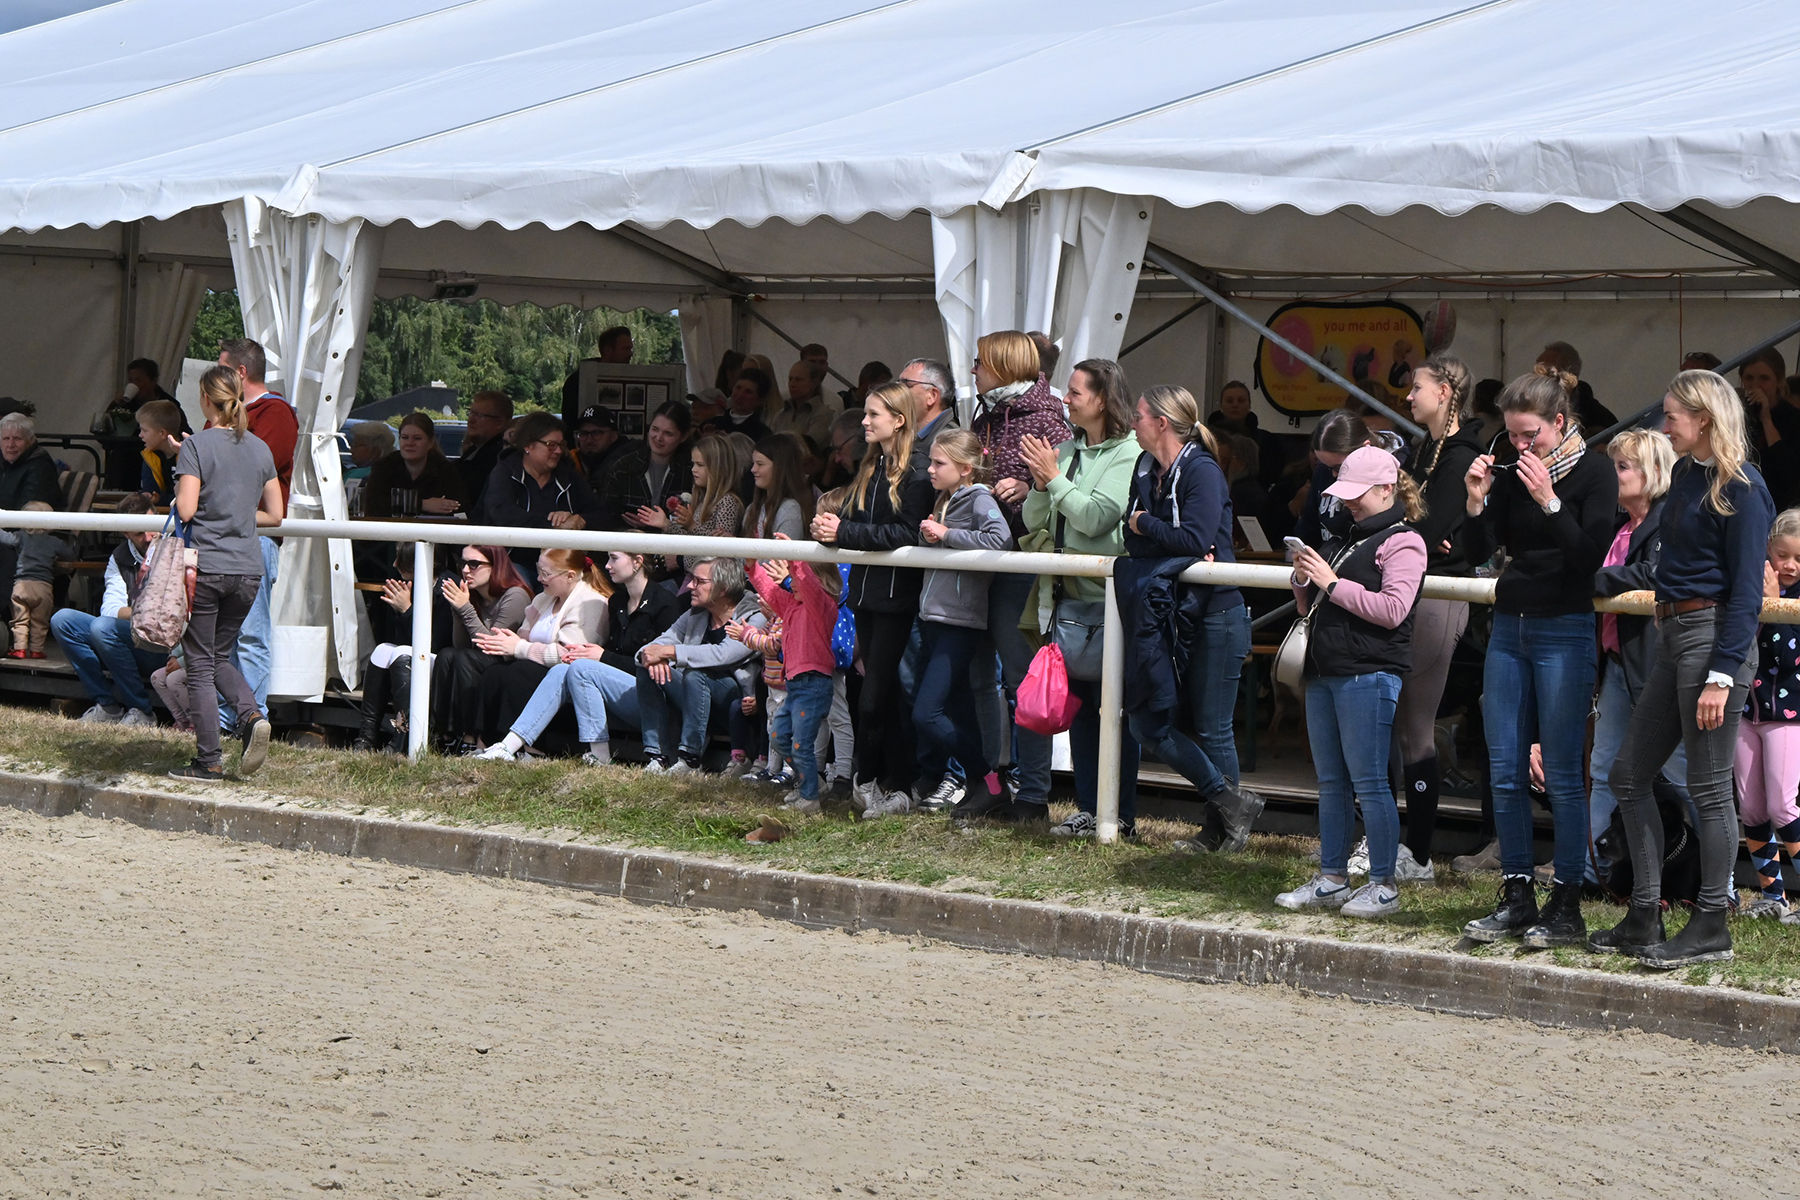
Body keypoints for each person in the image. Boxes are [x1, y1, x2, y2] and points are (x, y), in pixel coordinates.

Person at [1594, 370, 1775, 966]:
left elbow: (1746, 594)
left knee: (1708, 786)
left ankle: (1711, 922)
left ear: (1704, 418)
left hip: (1710, 639)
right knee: (1629, 775)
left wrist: (1722, 674)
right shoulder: (1690, 477)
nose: (1663, 423)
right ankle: (1645, 912)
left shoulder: (1742, 487)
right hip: (1675, 633)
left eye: (1672, 415)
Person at [1460, 363, 1618, 947]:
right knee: (1504, 768)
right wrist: (1476, 501)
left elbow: (1589, 557)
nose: (1522, 446)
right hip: (1511, 624)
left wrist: (1549, 500)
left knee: (1563, 773)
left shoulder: (1594, 472)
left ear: (1559, 421)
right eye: (1511, 435)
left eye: (1532, 435)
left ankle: (1567, 903)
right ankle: (1517, 893)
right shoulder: (1512, 468)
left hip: (1564, 626)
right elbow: (1481, 552)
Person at [1276, 446, 1428, 918]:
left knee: (1370, 782)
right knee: (1331, 781)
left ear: (1387, 489)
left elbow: (1393, 609)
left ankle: (1383, 883)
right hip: (1326, 668)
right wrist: (1303, 579)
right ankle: (1332, 877)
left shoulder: (1405, 541)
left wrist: (1331, 583)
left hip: (1370, 671)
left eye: (1358, 494)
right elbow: (1311, 606)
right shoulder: (1345, 537)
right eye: (1345, 494)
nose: (1349, 502)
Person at [1119, 384, 1262, 853]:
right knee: (1146, 722)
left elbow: (1193, 538)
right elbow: (1133, 540)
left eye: (1139, 415)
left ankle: (1221, 831)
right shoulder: (1146, 467)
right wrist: (1157, 535)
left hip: (1216, 612)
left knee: (1213, 728)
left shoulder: (1201, 469)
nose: (1132, 422)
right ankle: (1231, 803)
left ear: (1161, 423)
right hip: (1171, 611)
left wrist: (1147, 524)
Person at [1019, 359, 1142, 839]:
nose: (1065, 399)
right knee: (1083, 708)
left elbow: (1096, 518)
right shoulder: (1066, 451)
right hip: (1066, 600)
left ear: (1103, 400)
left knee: (1115, 710)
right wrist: (1039, 484)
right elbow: (1035, 522)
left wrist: (1053, 479)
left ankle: (1120, 815)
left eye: (1074, 392)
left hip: (1112, 602)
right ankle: (1090, 808)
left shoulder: (1129, 453)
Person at [811, 381, 935, 813]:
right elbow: (851, 521)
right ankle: (894, 783)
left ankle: (869, 782)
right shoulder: (871, 466)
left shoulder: (918, 470)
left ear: (898, 421)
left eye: (872, 415)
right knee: (880, 694)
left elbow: (906, 532)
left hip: (898, 599)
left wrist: (843, 531)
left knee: (875, 696)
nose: (863, 422)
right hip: (864, 596)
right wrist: (826, 528)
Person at [970, 331, 1072, 821]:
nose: (973, 369)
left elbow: (1068, 485)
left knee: (1020, 680)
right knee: (978, 678)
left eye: (980, 362)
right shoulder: (984, 416)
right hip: (977, 559)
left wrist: (1030, 486)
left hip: (1018, 562)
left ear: (1004, 366)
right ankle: (989, 783)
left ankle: (1032, 795)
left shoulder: (1047, 418)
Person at [1391, 354, 1486, 878]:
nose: (1409, 396)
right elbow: (1403, 520)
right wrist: (1412, 534)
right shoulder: (1424, 449)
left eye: (1418, 388)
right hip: (1409, 587)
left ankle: (1419, 852)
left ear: (1445, 392)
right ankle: (1390, 841)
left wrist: (1415, 536)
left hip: (1437, 594)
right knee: (1394, 721)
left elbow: (1425, 529)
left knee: (1416, 725)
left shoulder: (1462, 454)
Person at [168, 364, 284, 782]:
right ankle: (252, 715)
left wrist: (181, 483)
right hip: (248, 570)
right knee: (219, 656)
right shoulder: (260, 448)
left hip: (207, 566)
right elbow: (275, 514)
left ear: (205, 399)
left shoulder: (195, 446)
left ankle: (209, 761)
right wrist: (235, 512)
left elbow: (186, 509)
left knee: (200, 665)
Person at [1585, 430, 1686, 881]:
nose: (1614, 475)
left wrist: (1593, 581)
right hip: (1617, 665)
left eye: (1623, 466)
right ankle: (1597, 872)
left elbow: (1654, 573)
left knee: (1680, 772)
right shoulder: (1618, 526)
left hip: (1657, 665)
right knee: (1605, 767)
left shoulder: (1670, 521)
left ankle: (1715, 882)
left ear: (1654, 472)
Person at [478, 550, 681, 764]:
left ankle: (598, 754)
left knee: (578, 667)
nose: (607, 565)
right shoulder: (618, 600)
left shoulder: (665, 604)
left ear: (637, 562)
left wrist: (603, 657)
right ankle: (508, 746)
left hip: (655, 696)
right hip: (621, 688)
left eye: (614, 558)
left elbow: (661, 670)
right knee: (563, 669)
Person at [909, 429, 1014, 819]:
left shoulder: (978, 498)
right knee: (959, 709)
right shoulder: (946, 498)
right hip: (935, 617)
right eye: (931, 462)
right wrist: (932, 536)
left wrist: (946, 533)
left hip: (959, 621)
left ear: (966, 468)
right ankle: (985, 788)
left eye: (939, 463)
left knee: (927, 713)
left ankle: (988, 778)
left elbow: (1000, 540)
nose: (931, 469)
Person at [218, 338, 295, 713]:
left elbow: (253, 468)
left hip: (257, 536)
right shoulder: (228, 413)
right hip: (223, 536)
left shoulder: (276, 413)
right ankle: (228, 717)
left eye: (222, 369)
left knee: (250, 634)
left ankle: (251, 716)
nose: (216, 377)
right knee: (224, 637)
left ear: (240, 372)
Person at [635, 556, 766, 775]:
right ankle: (658, 757)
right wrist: (650, 657)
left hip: (740, 708)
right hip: (694, 702)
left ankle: (690, 759)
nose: (690, 586)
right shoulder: (695, 614)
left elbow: (724, 654)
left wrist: (668, 652)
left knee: (696, 673)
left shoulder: (755, 616)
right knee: (646, 667)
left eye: (699, 581)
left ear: (723, 588)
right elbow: (648, 649)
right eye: (691, 579)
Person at [1731, 508, 1800, 920]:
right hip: (1746, 709)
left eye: (1799, 558)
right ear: (1767, 552)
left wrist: (1774, 604)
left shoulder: (1791, 597)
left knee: (1782, 806)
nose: (1789, 565)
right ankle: (1774, 896)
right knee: (1752, 809)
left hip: (1788, 716)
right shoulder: (1749, 585)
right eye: (1782, 555)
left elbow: (1789, 658)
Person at [473, 549, 609, 748]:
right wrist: (505, 642)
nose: (539, 578)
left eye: (546, 574)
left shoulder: (590, 604)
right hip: (534, 667)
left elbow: (569, 654)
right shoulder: (543, 598)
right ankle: (484, 744)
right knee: (494, 673)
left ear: (570, 575)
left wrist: (519, 648)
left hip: (567, 676)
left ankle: (523, 748)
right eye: (539, 570)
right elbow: (523, 636)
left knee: (520, 672)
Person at [52, 492, 164, 724]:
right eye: (139, 533)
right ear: (125, 533)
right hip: (135, 636)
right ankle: (107, 706)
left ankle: (142, 710)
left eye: (152, 527)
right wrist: (144, 612)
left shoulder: (175, 548)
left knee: (104, 628)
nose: (148, 536)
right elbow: (111, 610)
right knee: (62, 620)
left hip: (165, 647)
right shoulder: (120, 557)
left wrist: (136, 612)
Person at [747, 539, 842, 812]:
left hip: (814, 686)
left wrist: (795, 557)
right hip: (795, 686)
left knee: (801, 745)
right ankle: (812, 784)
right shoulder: (792, 605)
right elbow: (770, 590)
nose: (792, 581)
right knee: (779, 738)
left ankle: (810, 799)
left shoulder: (822, 606)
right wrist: (752, 568)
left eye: (796, 577)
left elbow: (809, 586)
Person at [411, 545, 534, 755]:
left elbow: (491, 645)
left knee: (465, 658)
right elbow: (460, 645)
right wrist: (458, 611)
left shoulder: (516, 594)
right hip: (479, 657)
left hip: (508, 662)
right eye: (463, 563)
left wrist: (465, 609)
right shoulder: (473, 594)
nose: (465, 570)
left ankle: (469, 736)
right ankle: (442, 735)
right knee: (447, 655)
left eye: (474, 564)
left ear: (496, 566)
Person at [482, 412, 605, 575]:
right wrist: (554, 525)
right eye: (550, 445)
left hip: (560, 566)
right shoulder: (505, 472)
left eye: (561, 444)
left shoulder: (568, 475)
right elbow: (502, 514)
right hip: (512, 563)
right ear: (528, 445)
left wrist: (579, 519)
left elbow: (601, 514)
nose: (558, 451)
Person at [631, 434, 744, 578]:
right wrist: (666, 524)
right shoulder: (703, 499)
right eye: (693, 464)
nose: (693, 469)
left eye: (700, 465)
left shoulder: (727, 502)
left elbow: (720, 550)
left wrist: (691, 527)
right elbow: (692, 541)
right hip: (692, 575)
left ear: (718, 468)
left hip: (710, 580)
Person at [601, 401, 694, 530]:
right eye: (655, 429)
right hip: (629, 538)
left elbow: (699, 521)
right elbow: (605, 515)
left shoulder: (691, 470)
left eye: (668, 433)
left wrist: (660, 524)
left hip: (675, 541)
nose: (659, 438)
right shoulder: (623, 467)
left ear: (683, 437)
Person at [363, 413, 469, 519]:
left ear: (430, 442)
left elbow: (460, 506)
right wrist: (422, 504)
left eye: (417, 438)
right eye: (405, 437)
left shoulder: (445, 470)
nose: (410, 443)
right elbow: (372, 505)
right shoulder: (384, 466)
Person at [1737, 347, 1800, 509]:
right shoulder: (1737, 417)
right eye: (1749, 378)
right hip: (1745, 503)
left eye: (1764, 378)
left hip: (1781, 505)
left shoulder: (1794, 419)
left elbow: (1789, 472)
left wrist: (1766, 420)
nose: (1755, 385)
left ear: (1778, 382)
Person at [5, 502, 69, 658]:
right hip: (43, 586)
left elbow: (5, 538)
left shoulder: (20, 537)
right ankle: (36, 650)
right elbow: (70, 555)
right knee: (40, 621)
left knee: (19, 620)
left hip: (21, 585)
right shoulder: (55, 542)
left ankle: (19, 649)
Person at [1207, 380, 1285, 489]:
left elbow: (1272, 476)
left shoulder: (1268, 440)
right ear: (1221, 406)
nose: (1235, 405)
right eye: (1229, 401)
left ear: (1249, 405)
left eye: (1241, 400)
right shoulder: (1206, 438)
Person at [741, 434, 814, 542]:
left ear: (780, 468)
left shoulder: (790, 509)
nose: (753, 469)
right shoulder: (752, 509)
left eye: (760, 464)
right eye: (753, 463)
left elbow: (785, 552)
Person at [559, 325, 633, 429]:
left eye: (630, 348)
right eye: (626, 349)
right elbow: (570, 423)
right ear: (607, 350)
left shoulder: (631, 380)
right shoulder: (576, 382)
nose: (630, 354)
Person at [1536, 341, 1617, 433]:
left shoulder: (1601, 419)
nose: (1536, 374)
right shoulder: (1527, 407)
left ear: (1565, 375)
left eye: (1544, 369)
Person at [456, 390, 514, 512]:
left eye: (479, 415)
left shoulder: (496, 457)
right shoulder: (475, 450)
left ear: (499, 422)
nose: (471, 420)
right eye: (471, 413)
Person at [770, 360, 838, 447]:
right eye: (790, 379)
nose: (792, 384)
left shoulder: (823, 414)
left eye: (798, 380)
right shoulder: (780, 414)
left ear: (814, 383)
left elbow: (807, 445)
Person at [135, 399, 185, 505]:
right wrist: (147, 495)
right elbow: (149, 487)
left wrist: (161, 499)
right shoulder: (149, 456)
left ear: (162, 433)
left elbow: (189, 494)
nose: (140, 435)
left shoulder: (188, 455)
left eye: (145, 430)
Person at [705, 367, 775, 443]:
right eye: (738, 388)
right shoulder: (712, 424)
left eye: (748, 392)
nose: (740, 395)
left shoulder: (763, 435)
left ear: (759, 400)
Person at [897, 358, 957, 446]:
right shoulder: (906, 437)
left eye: (907, 385)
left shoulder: (950, 443)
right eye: (898, 385)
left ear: (932, 396)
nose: (897, 392)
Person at [572, 406, 634, 491]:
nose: (589, 440)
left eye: (597, 433)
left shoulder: (627, 467)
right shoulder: (573, 463)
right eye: (583, 433)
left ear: (613, 437)